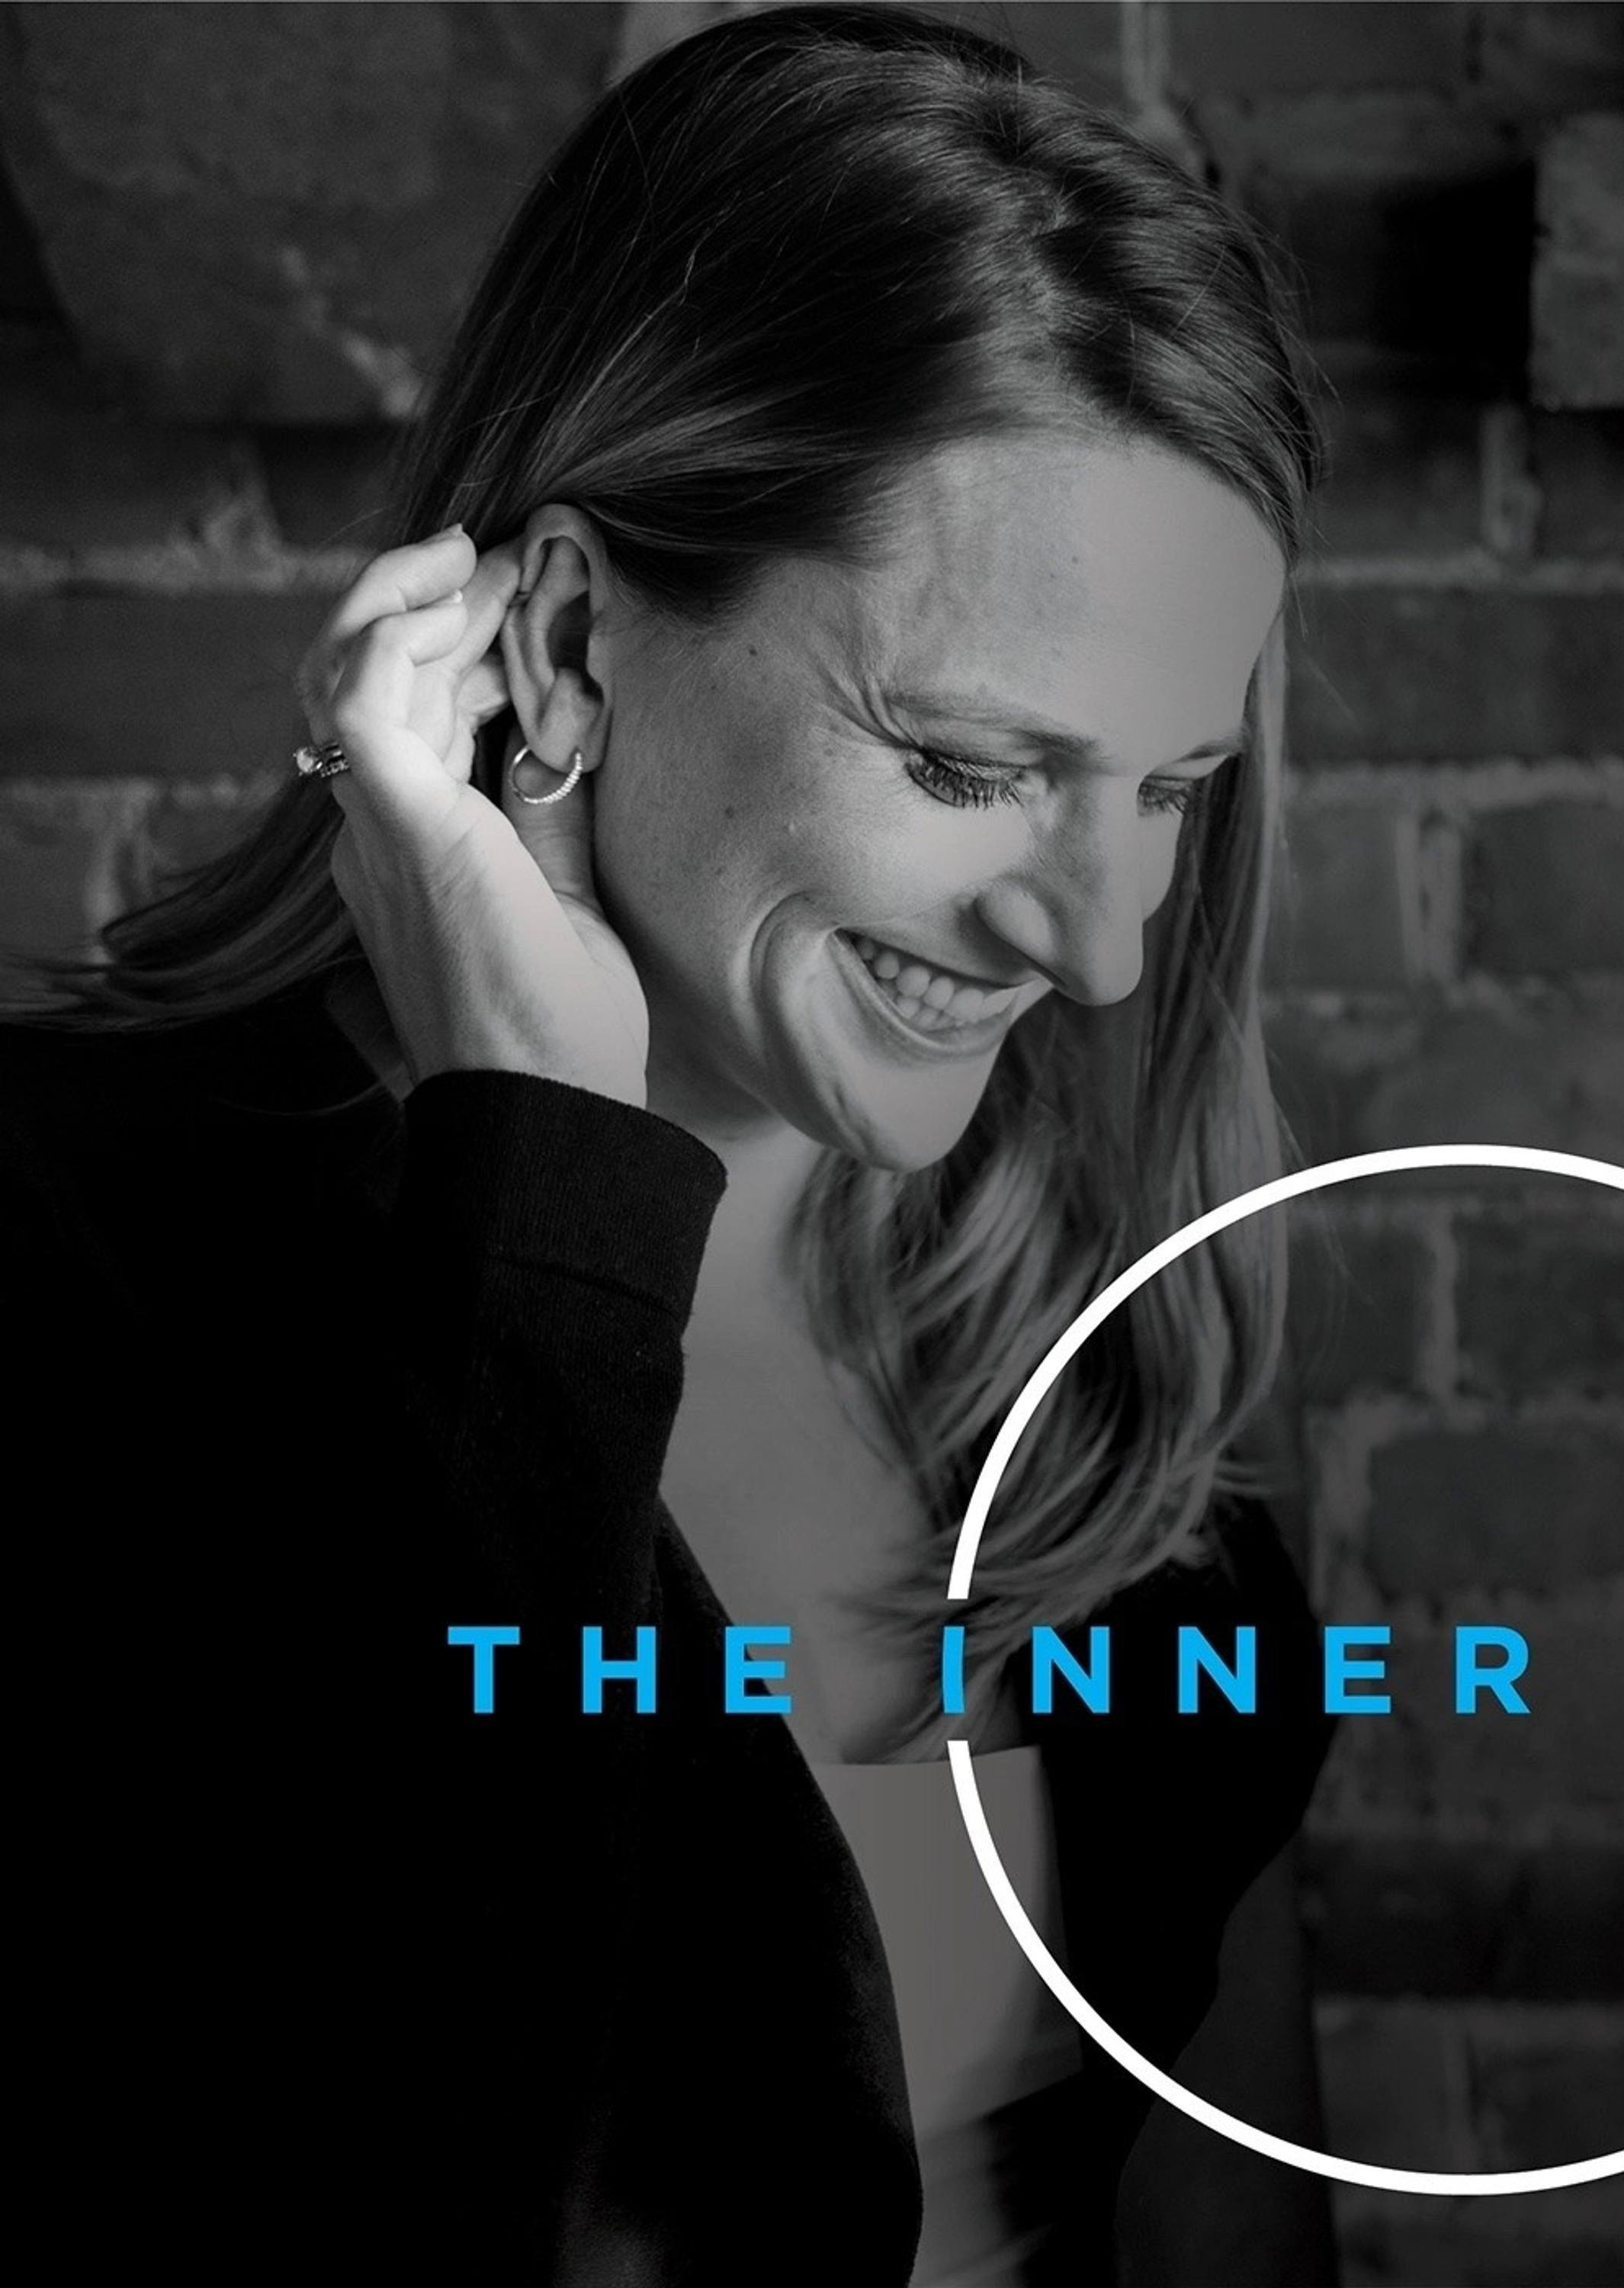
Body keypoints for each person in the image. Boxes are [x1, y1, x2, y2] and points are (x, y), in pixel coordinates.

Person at [2, 8, 1338, 2284]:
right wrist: (544, 1179)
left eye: (1170, 787)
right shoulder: (66, 1267)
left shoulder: (1088, 1323)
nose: (1102, 950)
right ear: (562, 638)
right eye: (967, 765)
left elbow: (1224, 2205)